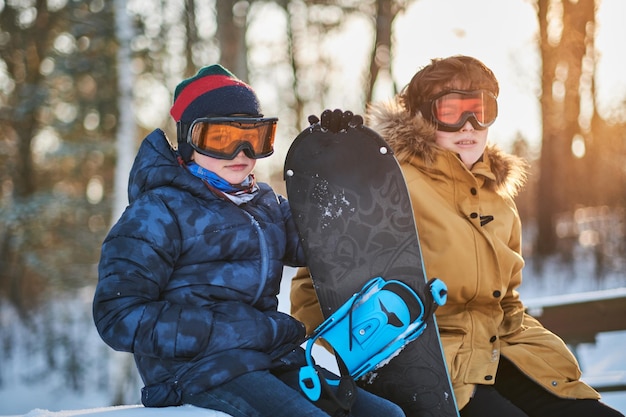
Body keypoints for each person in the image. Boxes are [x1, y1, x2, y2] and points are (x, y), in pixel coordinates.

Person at [290, 56, 625, 417]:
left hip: (500, 352)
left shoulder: (498, 199)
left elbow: (507, 302)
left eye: (480, 109)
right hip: (430, 367)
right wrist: (339, 165)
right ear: (421, 116)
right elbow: (320, 283)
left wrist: (547, 361)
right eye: (452, 111)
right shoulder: (389, 186)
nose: (469, 125)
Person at [92, 64, 405, 417]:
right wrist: (224, 331)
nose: (241, 153)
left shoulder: (264, 203)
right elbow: (116, 314)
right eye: (221, 139)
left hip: (268, 358)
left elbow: (324, 242)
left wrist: (338, 158)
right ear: (189, 141)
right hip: (196, 371)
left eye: (254, 137)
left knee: (386, 415)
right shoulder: (157, 211)